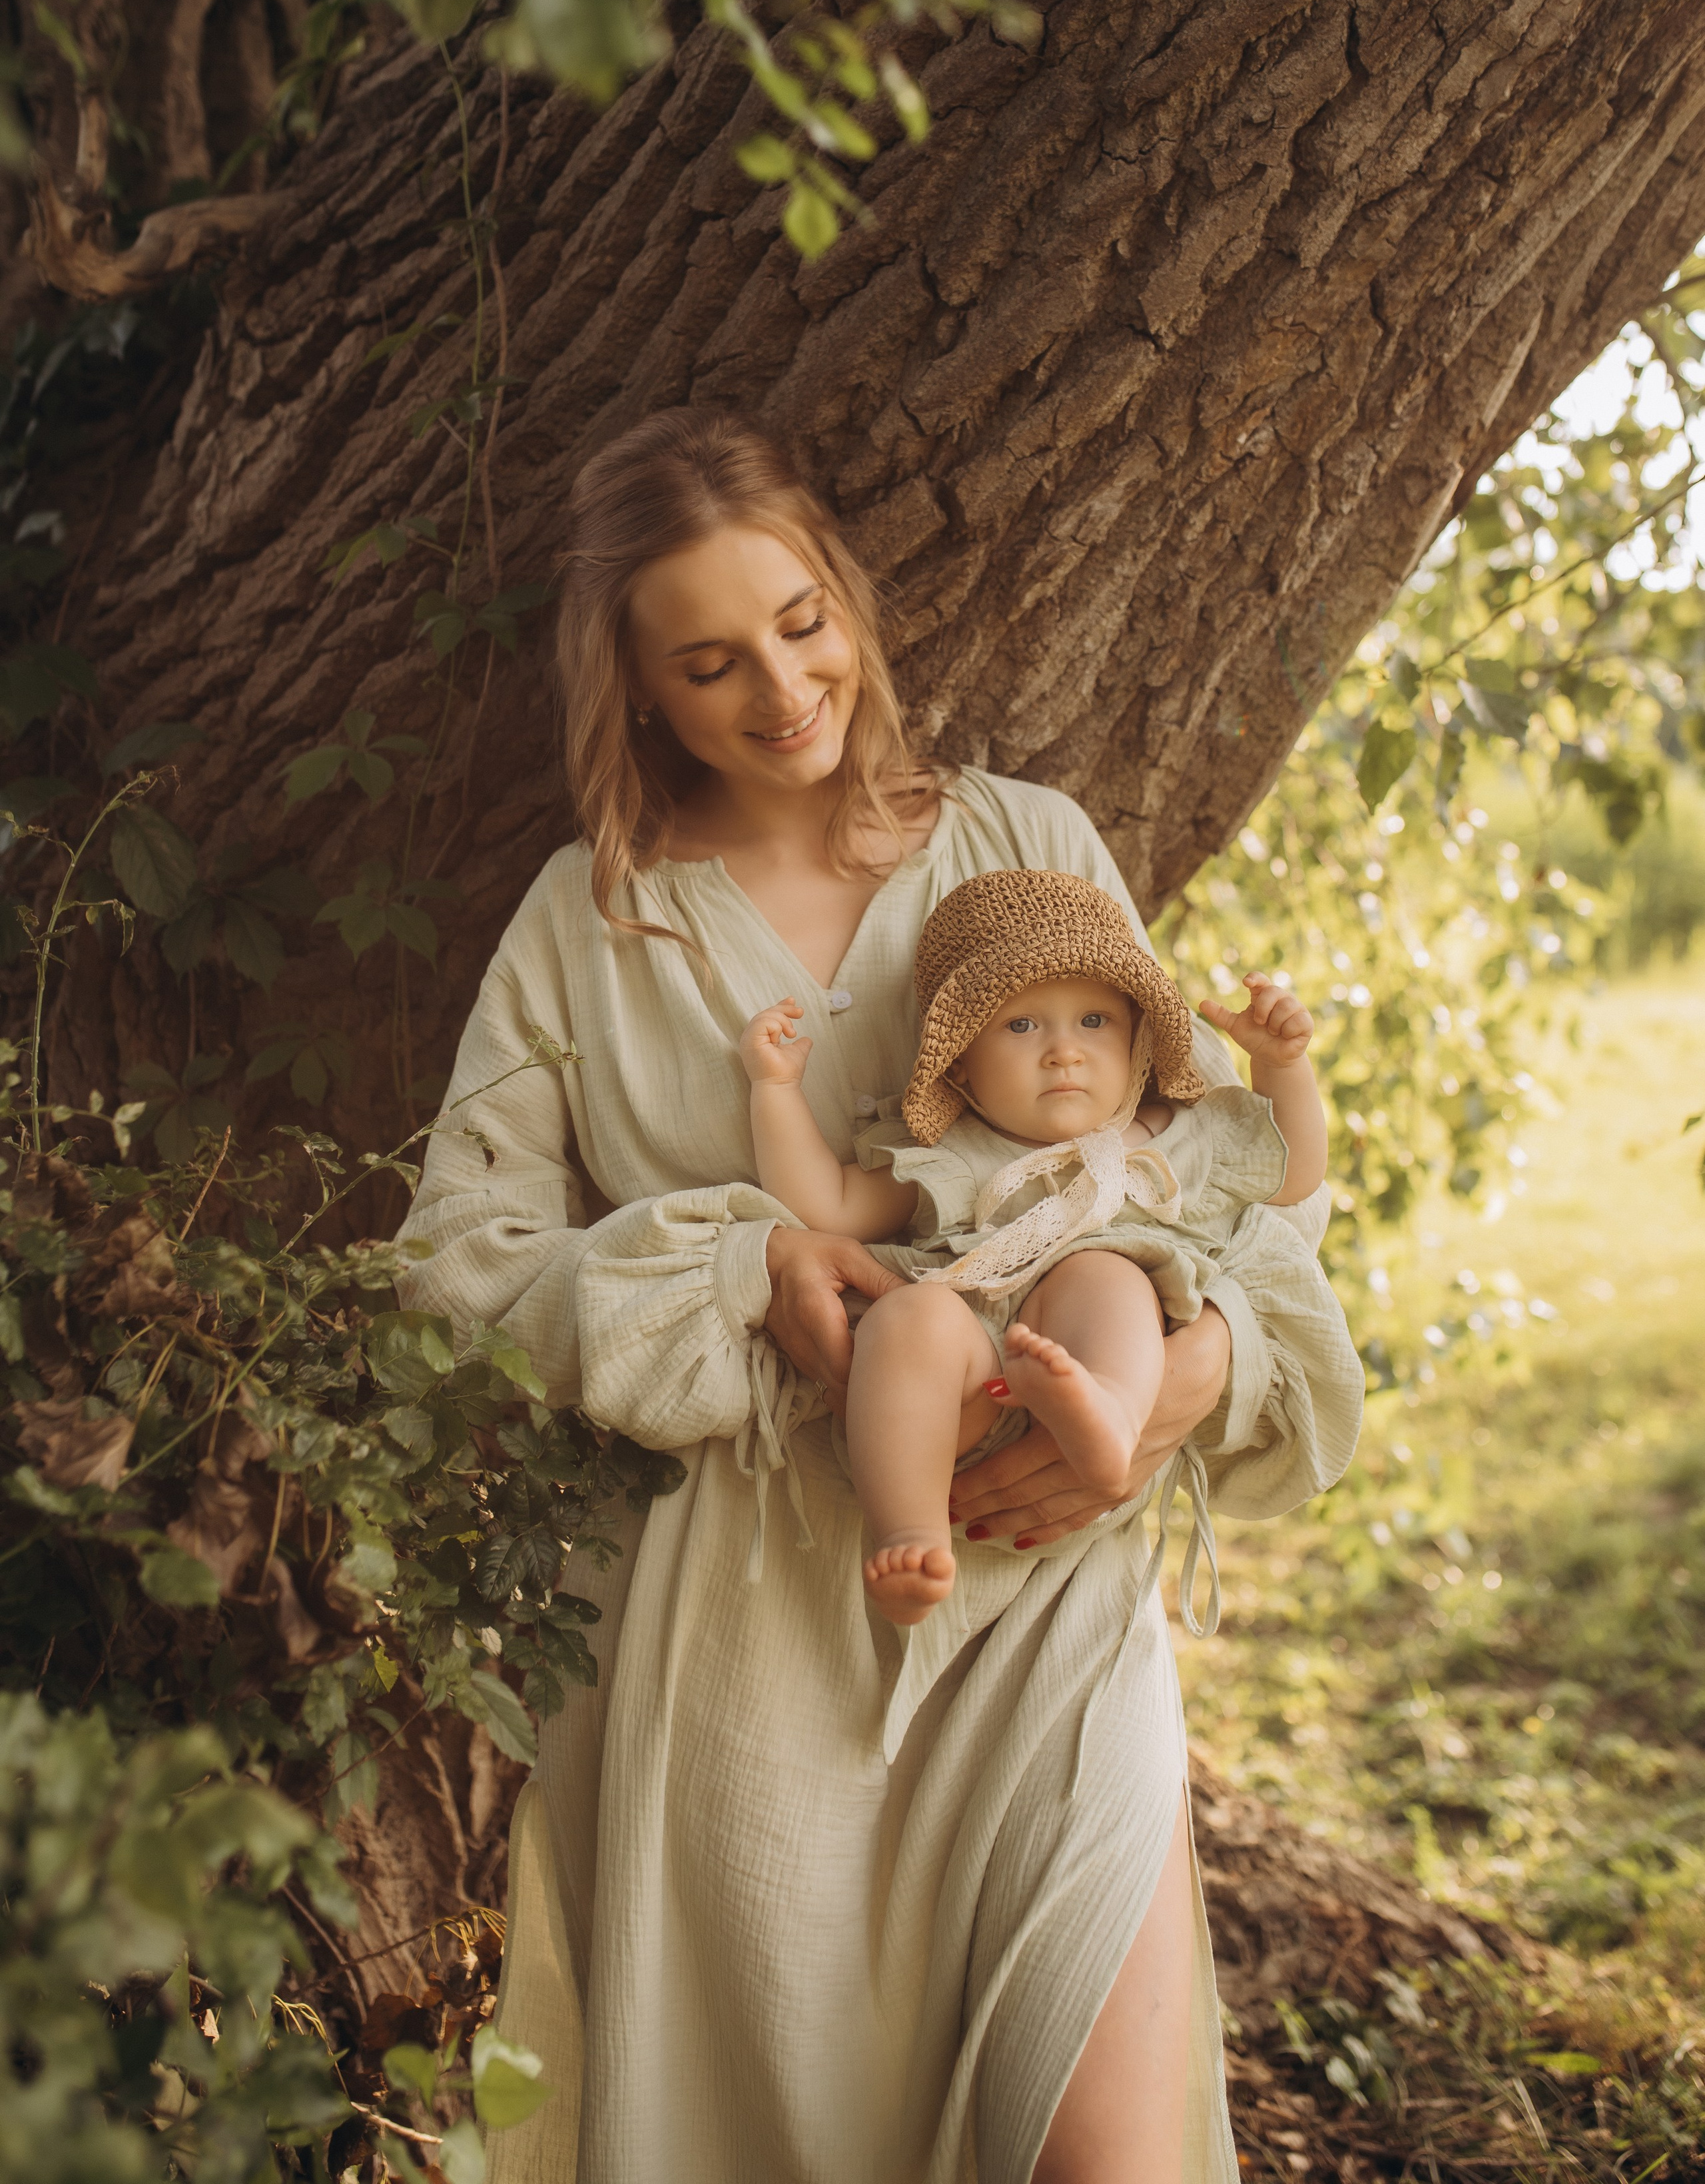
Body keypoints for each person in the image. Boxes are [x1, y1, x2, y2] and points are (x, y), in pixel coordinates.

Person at [395, 407, 1365, 2184]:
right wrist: (738, 1264)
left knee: (1104, 2156)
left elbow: (1182, 1177)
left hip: (1044, 1585)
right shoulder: (588, 926)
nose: (781, 691)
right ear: (640, 697)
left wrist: (1185, 1380)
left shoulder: (1027, 842)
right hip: (743, 1633)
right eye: (709, 663)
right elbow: (456, 1276)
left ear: (846, 597)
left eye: (801, 623)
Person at [738, 868, 1341, 1624]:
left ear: (1137, 1038)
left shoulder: (1174, 1135)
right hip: (975, 1375)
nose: (1063, 1052)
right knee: (907, 1318)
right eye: (1022, 1027)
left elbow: (1293, 1175)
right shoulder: (958, 1153)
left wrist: (1281, 1066)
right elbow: (823, 1205)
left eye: (1093, 1022)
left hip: (1099, 1353)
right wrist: (775, 1090)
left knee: (1108, 1273)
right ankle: (910, 1533)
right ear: (960, 1063)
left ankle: (1110, 1420)